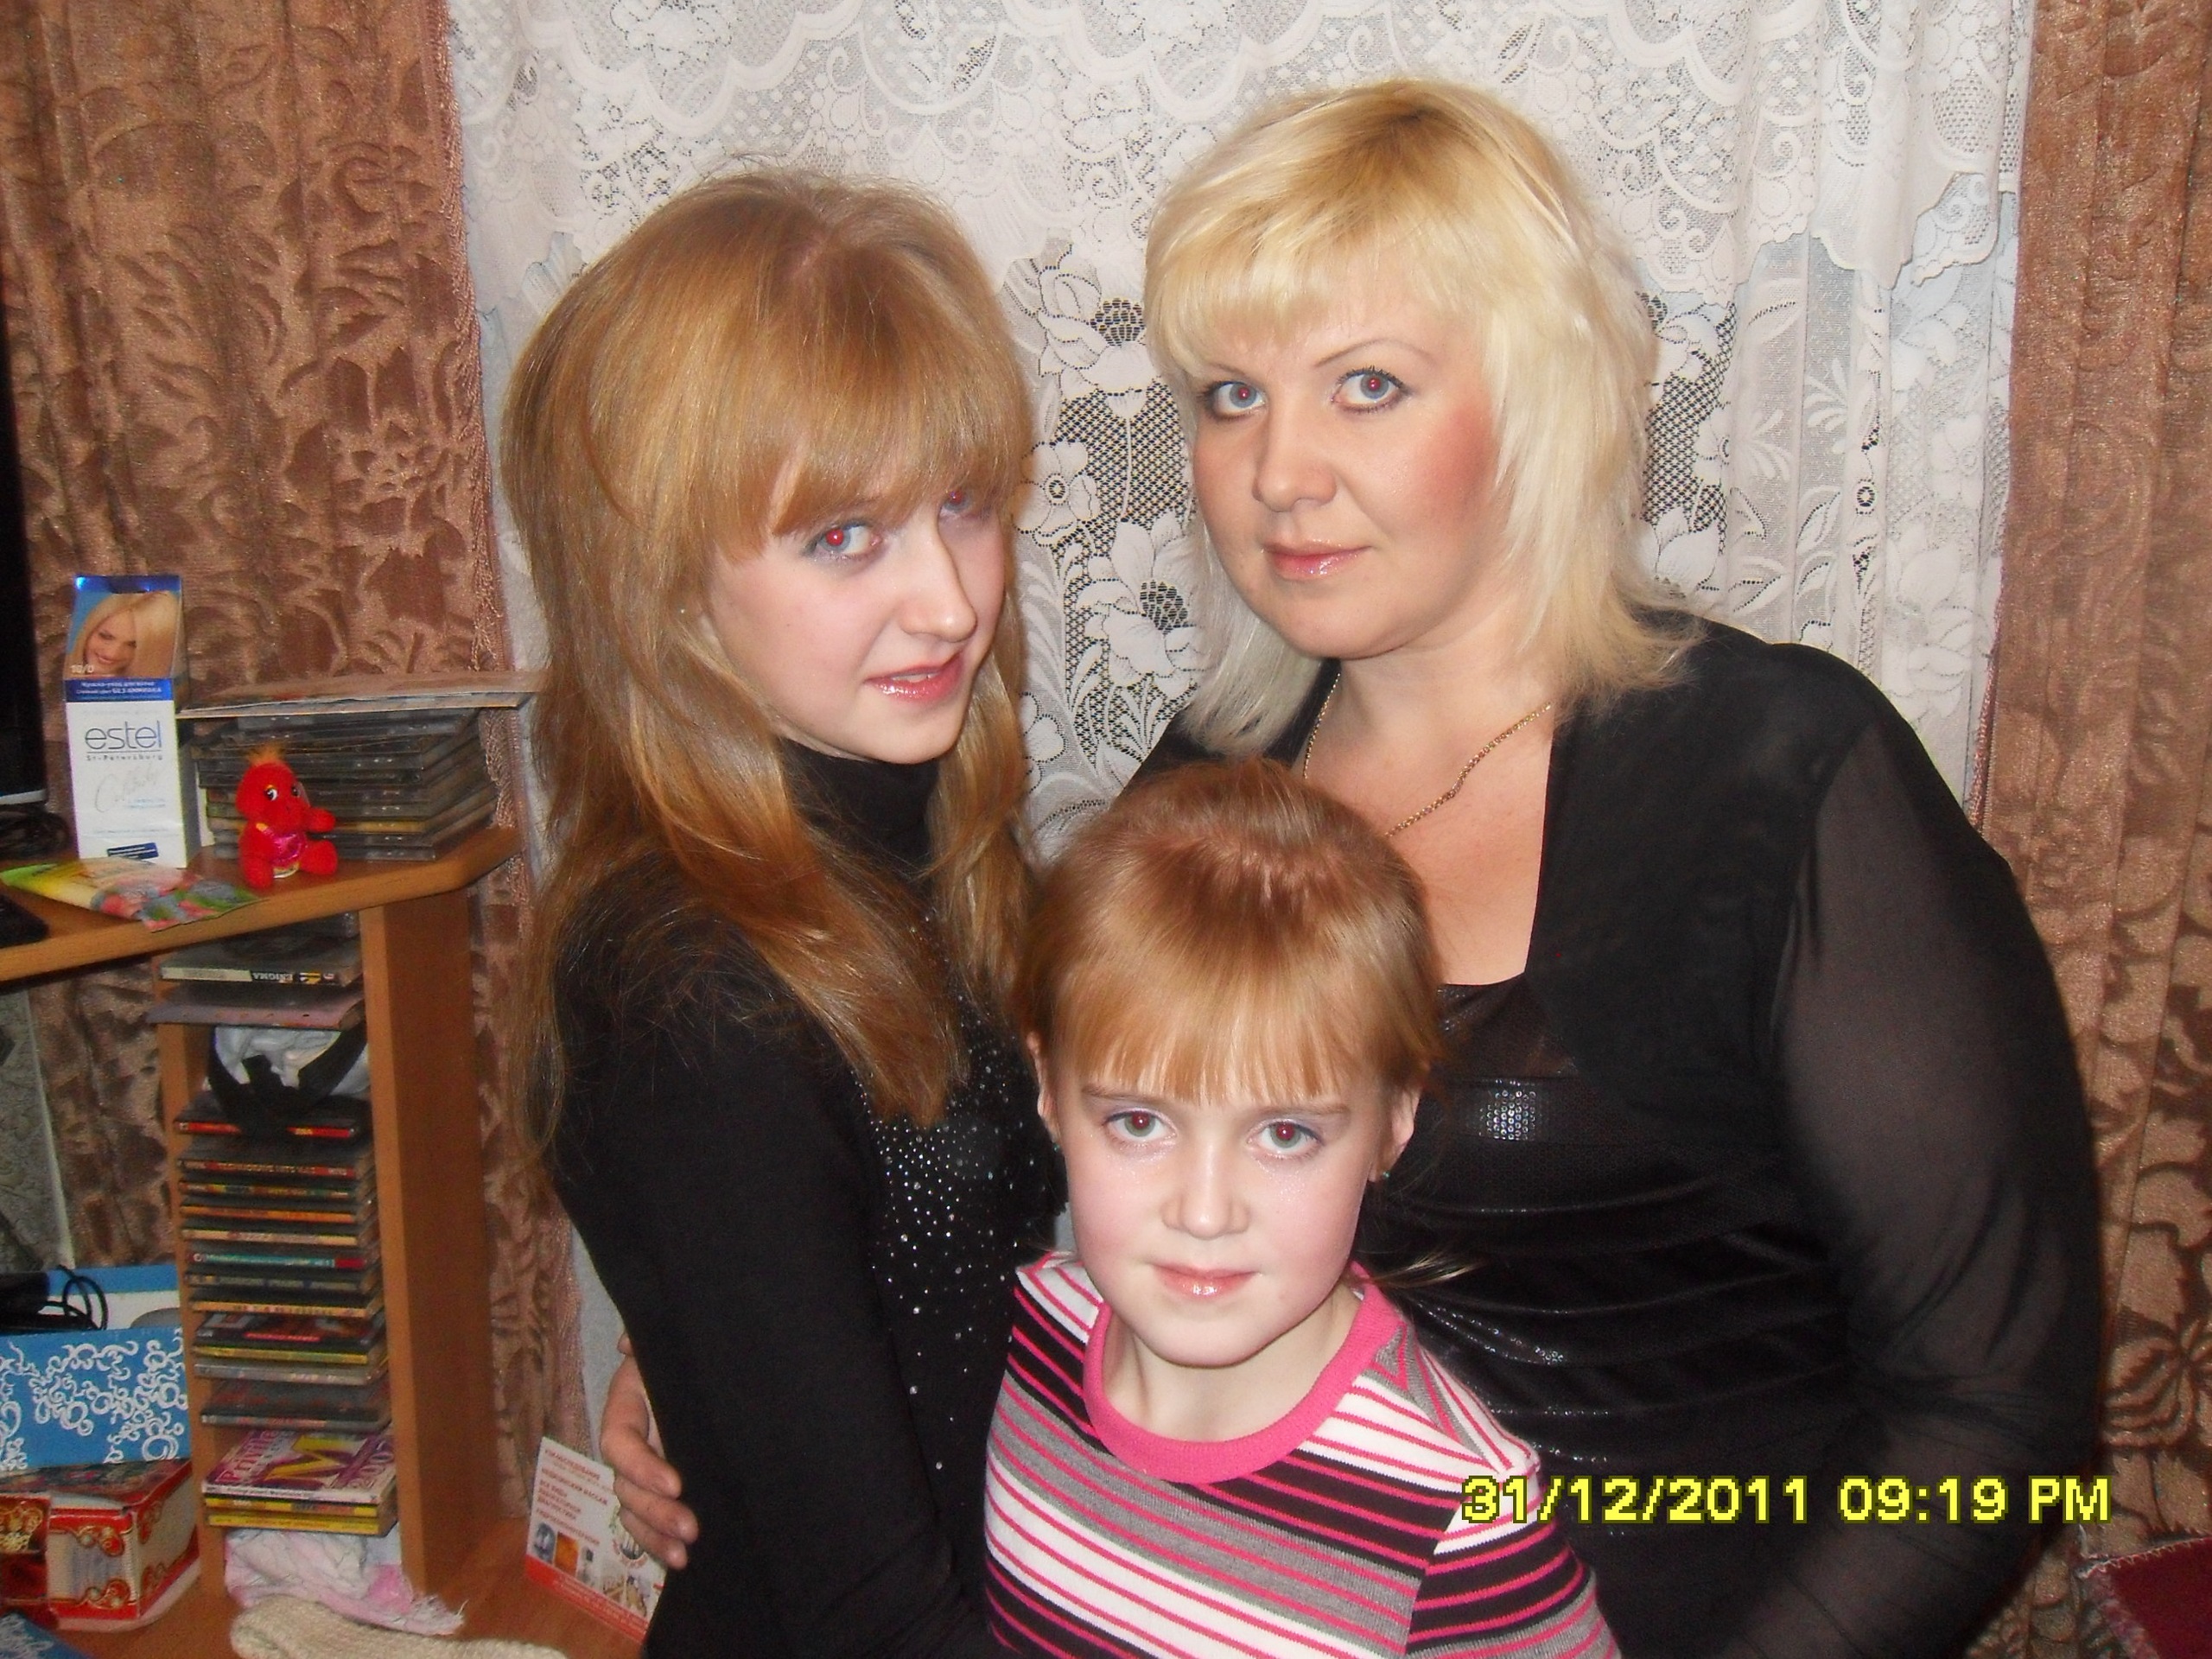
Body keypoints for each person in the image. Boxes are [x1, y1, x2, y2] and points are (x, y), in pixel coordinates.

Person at [605, 79, 2101, 1658]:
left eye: (1367, 386)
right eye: (1232, 395)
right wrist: (726, 1335)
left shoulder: (1783, 778)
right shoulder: (1214, 785)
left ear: (1536, 402)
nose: (1280, 472)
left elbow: (1996, 1417)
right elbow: (1039, 1155)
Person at [505, 169, 1061, 1656]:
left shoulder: (920, 835)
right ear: (664, 581)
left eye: (964, 506)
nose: (950, 603)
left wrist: (709, 1339)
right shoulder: (695, 990)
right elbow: (868, 1610)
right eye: (843, 537)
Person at [989, 758, 1617, 1659]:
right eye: (1140, 1123)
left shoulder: (1463, 1517)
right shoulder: (1027, 1333)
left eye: (1284, 1134)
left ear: (1394, 1121)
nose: (1206, 1213)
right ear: (1049, 1089)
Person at [65, 588, 177, 677]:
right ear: (90, 629)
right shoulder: (57, 669)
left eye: (133, 645)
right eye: (105, 637)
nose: (111, 654)